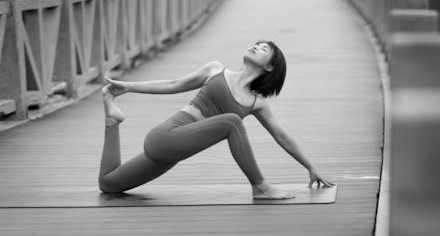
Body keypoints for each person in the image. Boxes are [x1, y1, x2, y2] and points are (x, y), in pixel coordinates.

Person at [98, 40, 333, 199]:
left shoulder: (256, 102)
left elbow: (282, 136)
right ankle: (260, 187)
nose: (255, 46)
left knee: (109, 185)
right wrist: (127, 86)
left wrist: (310, 167)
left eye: (262, 48)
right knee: (232, 120)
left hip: (174, 152)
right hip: (167, 135)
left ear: (271, 66)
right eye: (256, 44)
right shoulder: (216, 70)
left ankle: (112, 120)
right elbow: (173, 85)